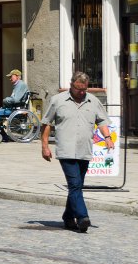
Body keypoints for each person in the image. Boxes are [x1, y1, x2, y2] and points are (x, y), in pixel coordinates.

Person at [41, 71, 113, 233]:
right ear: (71, 84)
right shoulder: (58, 100)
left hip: (84, 149)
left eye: (84, 89)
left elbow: (101, 121)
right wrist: (45, 146)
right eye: (78, 89)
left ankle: (67, 217)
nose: (81, 92)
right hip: (65, 150)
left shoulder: (93, 101)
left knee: (77, 186)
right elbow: (46, 124)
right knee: (74, 184)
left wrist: (107, 137)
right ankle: (82, 217)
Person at [0, 69, 29, 142]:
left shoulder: (20, 85)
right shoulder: (17, 85)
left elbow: (15, 99)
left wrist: (5, 100)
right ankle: (1, 135)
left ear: (17, 76)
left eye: (11, 76)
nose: (10, 78)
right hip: (12, 108)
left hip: (15, 109)